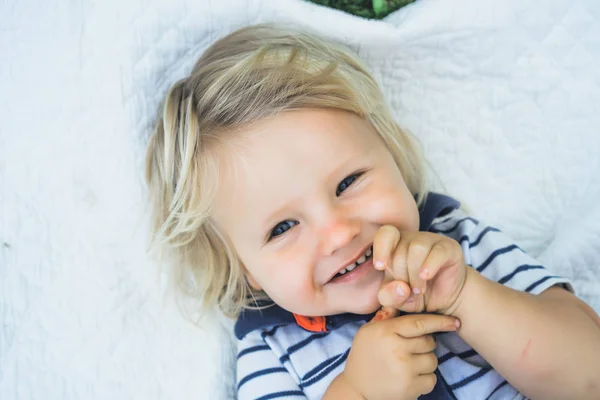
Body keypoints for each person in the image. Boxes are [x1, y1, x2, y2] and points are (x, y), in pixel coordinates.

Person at [144, 23, 600, 399]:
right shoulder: (273, 351)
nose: (339, 233)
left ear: (395, 160)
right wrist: (357, 392)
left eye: (348, 182)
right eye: (283, 227)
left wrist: (467, 298)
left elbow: (588, 376)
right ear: (248, 273)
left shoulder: (460, 246)